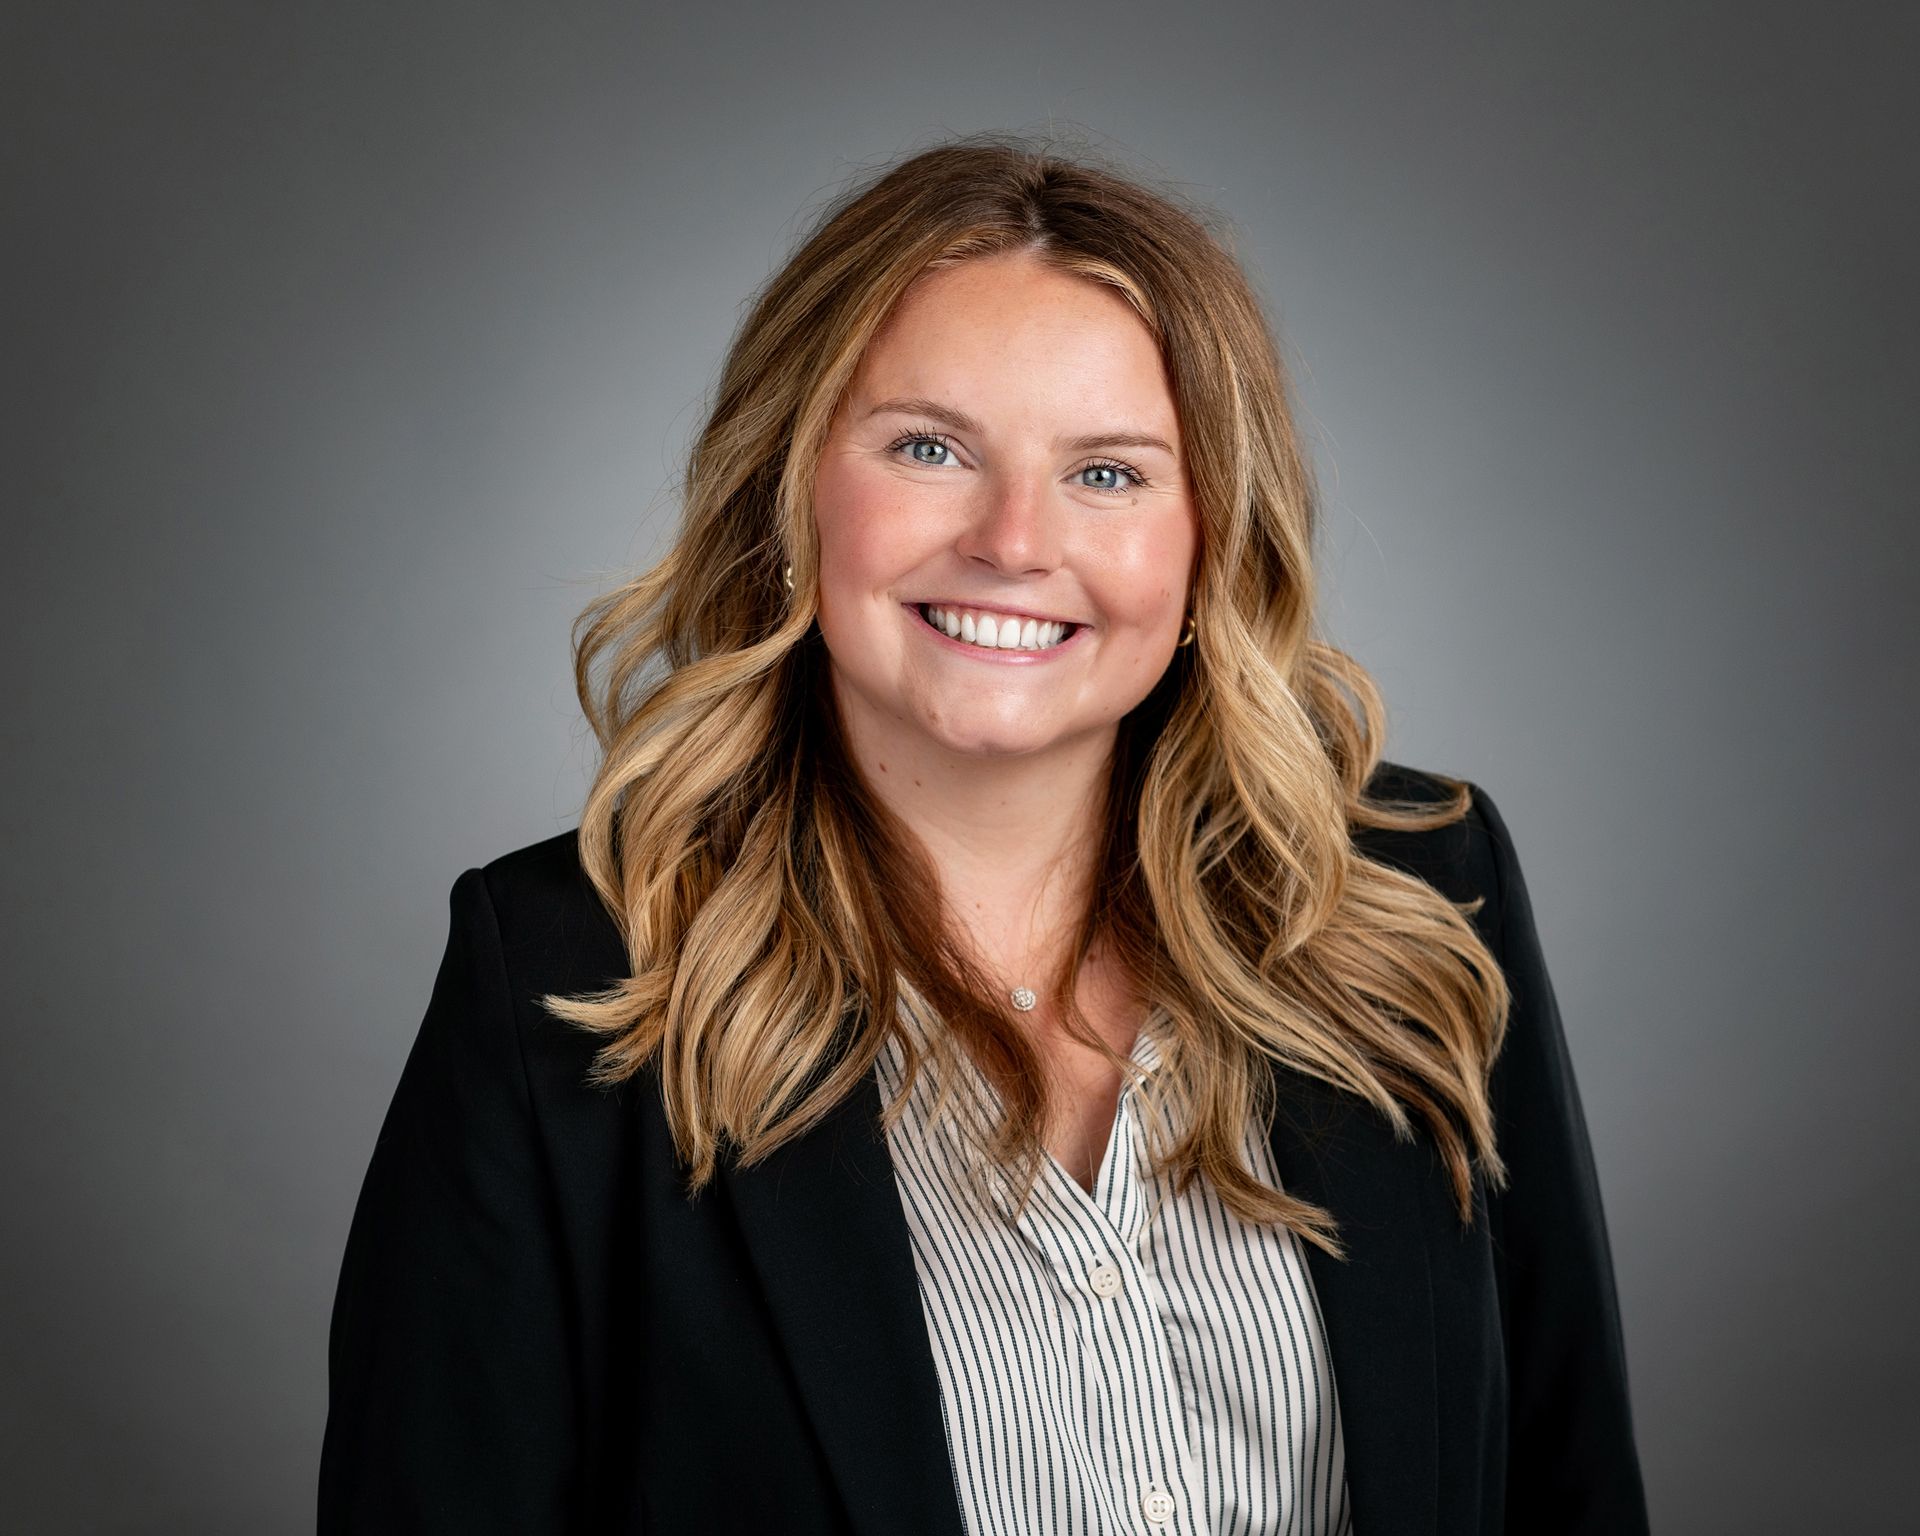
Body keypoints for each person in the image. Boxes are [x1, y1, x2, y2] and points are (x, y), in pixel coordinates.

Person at [318, 134, 1650, 1535]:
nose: (1017, 541)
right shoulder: (561, 987)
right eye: (929, 448)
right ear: (793, 490)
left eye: (1111, 473)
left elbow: (1571, 1490)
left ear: (1207, 540)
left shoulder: (1420, 895)